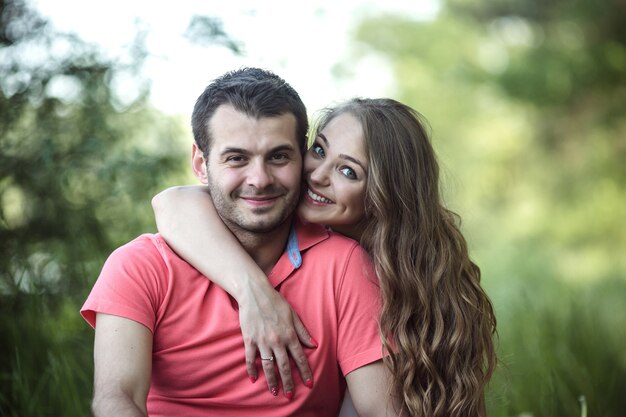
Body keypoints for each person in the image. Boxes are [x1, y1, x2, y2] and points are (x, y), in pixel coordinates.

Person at [81, 68, 398, 417]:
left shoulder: (345, 264)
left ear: (300, 159)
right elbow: (116, 399)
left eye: (278, 156)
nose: (259, 180)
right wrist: (252, 290)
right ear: (201, 164)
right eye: (237, 158)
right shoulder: (140, 266)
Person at [153, 97, 498, 416]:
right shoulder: (289, 224)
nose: (317, 176)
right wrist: (253, 291)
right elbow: (171, 202)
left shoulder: (401, 275)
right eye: (319, 150)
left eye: (348, 171)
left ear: (386, 194)